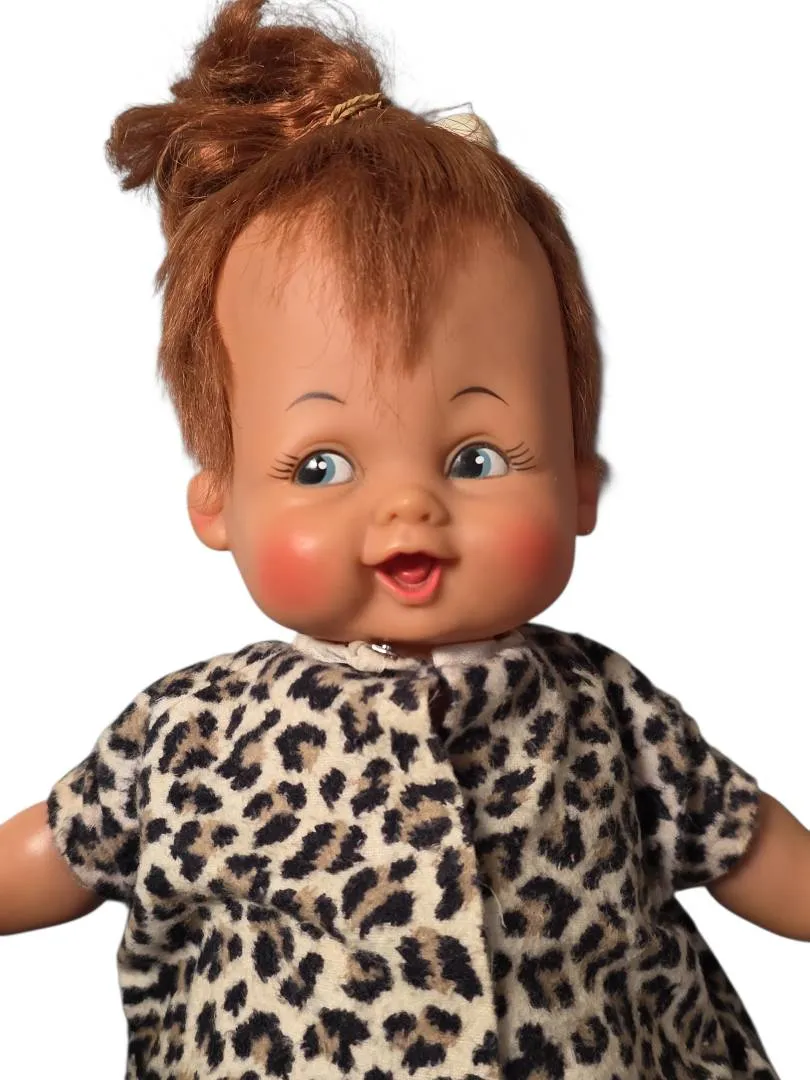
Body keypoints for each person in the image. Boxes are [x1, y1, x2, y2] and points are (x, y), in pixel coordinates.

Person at [1, 1, 807, 1076]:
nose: (408, 509)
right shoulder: (195, 734)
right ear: (218, 503)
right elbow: (61, 851)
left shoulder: (608, 712)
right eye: (321, 468)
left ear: (579, 485)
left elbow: (744, 841)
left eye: (476, 458)